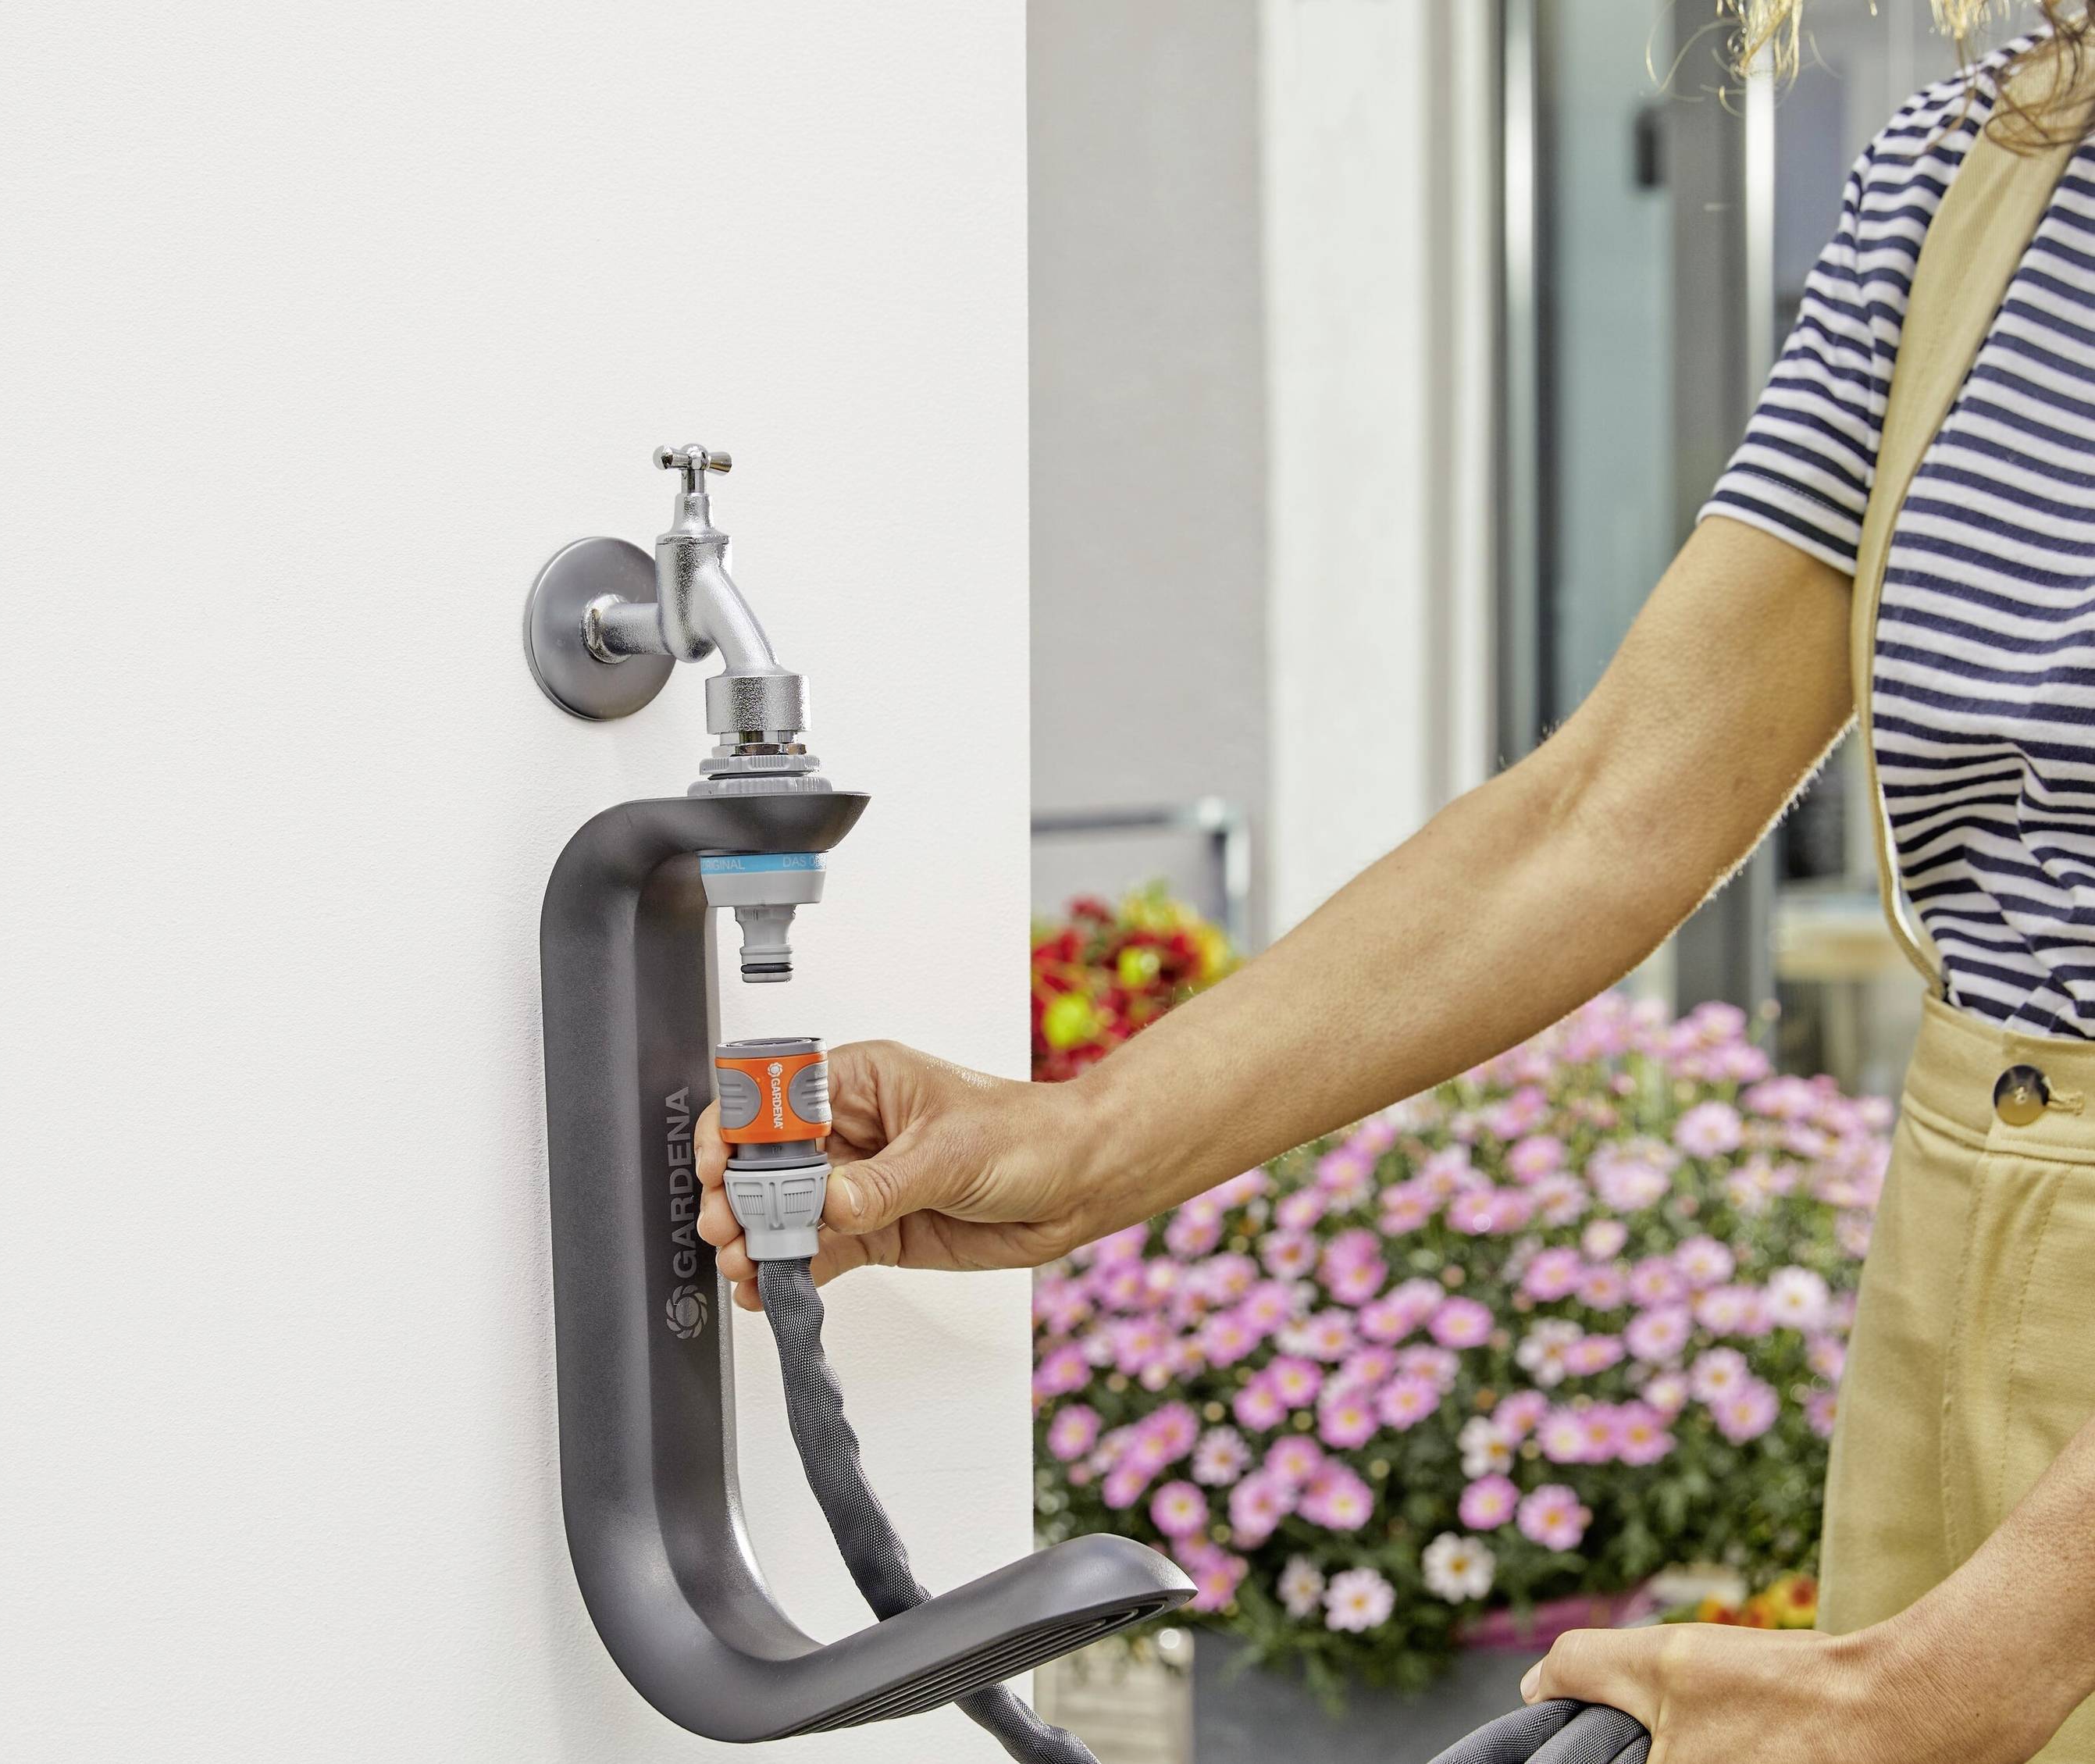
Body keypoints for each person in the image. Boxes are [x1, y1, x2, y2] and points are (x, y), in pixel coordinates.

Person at [697, 9, 2095, 1762]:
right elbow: (1611, 800)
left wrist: (1951, 1677)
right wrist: (1076, 1144)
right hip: (1974, 1269)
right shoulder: (1994, 158)